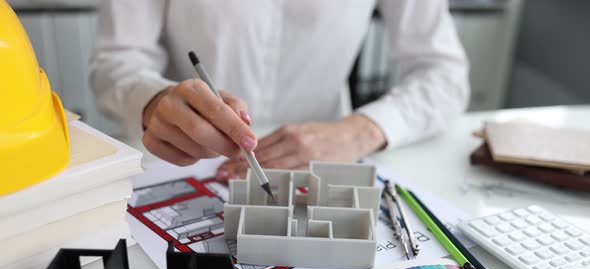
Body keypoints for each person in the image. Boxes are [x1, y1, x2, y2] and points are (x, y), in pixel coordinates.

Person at [90, 1, 469, 182]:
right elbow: (115, 62)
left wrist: (360, 131)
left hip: (327, 160)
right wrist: (153, 100)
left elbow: (445, 74)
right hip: (182, 158)